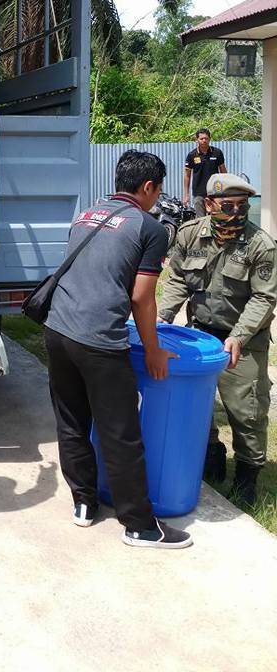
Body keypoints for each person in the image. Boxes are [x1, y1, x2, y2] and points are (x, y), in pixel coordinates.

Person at [44, 150, 192, 549]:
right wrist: (154, 349)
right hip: (98, 340)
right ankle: (140, 525)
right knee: (120, 432)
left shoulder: (87, 214)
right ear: (148, 188)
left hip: (57, 331)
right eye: (158, 191)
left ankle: (83, 504)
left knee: (72, 421)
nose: (157, 198)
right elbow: (143, 299)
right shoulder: (149, 227)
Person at [158, 173, 276, 505]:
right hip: (199, 336)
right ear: (209, 205)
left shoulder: (259, 245)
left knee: (247, 411)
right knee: (199, 404)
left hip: (244, 340)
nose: (237, 213)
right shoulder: (190, 235)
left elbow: (264, 298)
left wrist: (238, 336)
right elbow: (179, 278)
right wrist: (162, 319)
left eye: (243, 206)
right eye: (229, 206)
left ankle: (247, 476)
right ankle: (210, 455)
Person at [183, 128, 227, 218]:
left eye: (206, 138)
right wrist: (186, 195)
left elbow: (223, 171)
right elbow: (187, 175)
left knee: (215, 218)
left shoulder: (217, 153)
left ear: (209, 139)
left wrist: (225, 189)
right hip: (199, 194)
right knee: (201, 220)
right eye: (201, 138)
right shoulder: (192, 155)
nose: (204, 140)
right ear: (197, 140)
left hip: (215, 192)